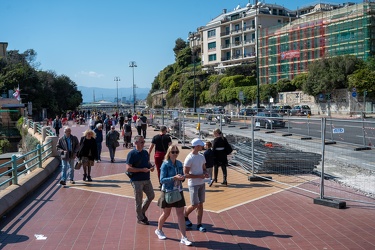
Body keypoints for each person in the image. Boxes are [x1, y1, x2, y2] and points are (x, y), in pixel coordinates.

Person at [155, 145, 192, 246]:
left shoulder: (179, 163)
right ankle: (159, 230)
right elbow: (162, 180)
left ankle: (184, 237)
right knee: (166, 214)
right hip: (168, 191)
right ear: (169, 153)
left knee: (180, 214)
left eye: (176, 152)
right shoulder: (165, 164)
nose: (175, 154)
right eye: (173, 152)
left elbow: (182, 177)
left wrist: (182, 178)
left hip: (178, 191)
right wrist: (174, 178)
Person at [125, 135, 155, 225]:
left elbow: (147, 162)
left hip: (146, 179)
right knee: (139, 199)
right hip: (136, 180)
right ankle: (140, 218)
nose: (143, 143)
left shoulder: (145, 153)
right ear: (136, 143)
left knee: (151, 196)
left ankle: (141, 212)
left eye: (144, 142)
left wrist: (151, 166)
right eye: (141, 142)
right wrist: (141, 170)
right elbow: (128, 168)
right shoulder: (132, 154)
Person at [184, 138, 208, 232]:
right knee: (194, 204)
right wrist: (199, 176)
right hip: (193, 184)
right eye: (201, 145)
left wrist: (205, 173)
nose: (202, 146)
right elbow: (185, 174)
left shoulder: (201, 156)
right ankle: (184, 215)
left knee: (200, 204)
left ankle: (199, 224)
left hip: (201, 183)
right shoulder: (189, 158)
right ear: (197, 146)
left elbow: (204, 168)